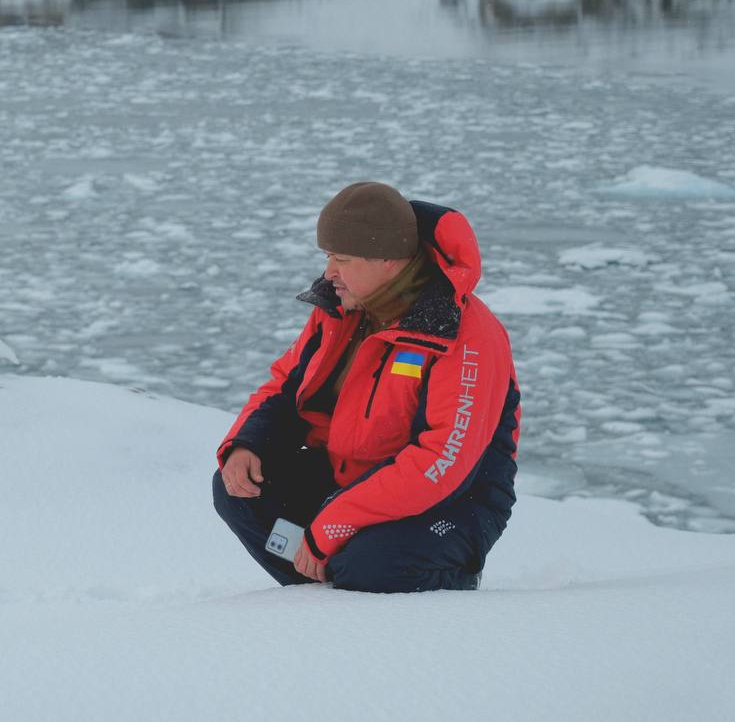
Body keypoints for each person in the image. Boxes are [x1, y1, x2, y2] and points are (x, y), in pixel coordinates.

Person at [213, 182, 521, 592]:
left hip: (451, 501)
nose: (329, 272)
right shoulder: (341, 309)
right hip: (348, 478)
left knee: (372, 565)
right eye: (327, 257)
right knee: (238, 489)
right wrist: (247, 445)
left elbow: (440, 462)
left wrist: (331, 527)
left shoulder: (464, 335)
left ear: (389, 261)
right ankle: (313, 596)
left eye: (342, 259)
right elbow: (286, 385)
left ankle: (445, 589)